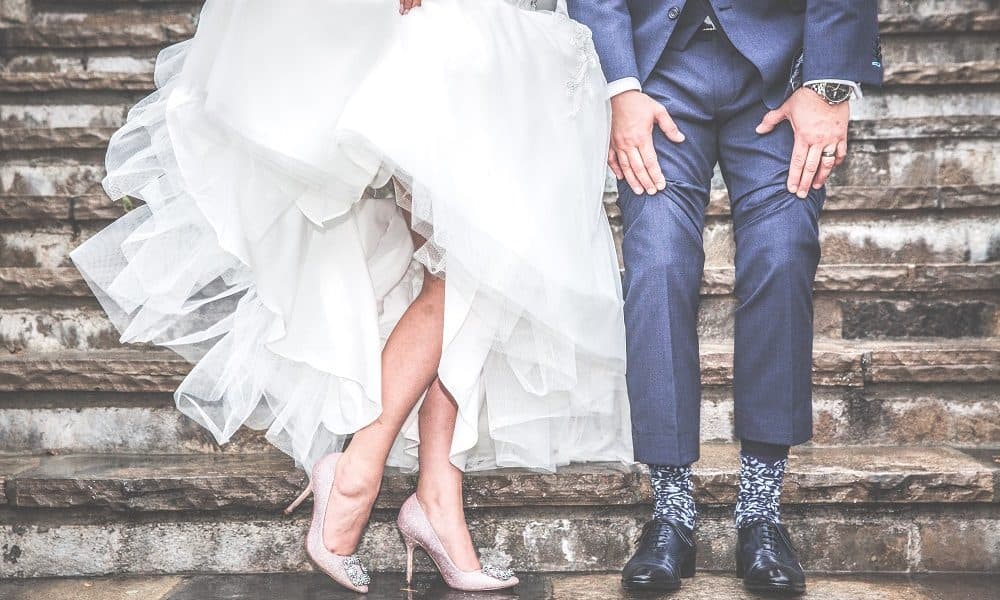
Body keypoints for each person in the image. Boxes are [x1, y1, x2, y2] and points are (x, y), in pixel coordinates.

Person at [70, 0, 632, 593]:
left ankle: (433, 491)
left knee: (472, 264)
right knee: (466, 265)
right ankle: (365, 475)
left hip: (517, 27)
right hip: (451, 30)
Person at [567, 0, 882, 594]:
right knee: (656, 263)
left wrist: (830, 83)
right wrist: (617, 85)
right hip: (657, 68)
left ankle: (760, 512)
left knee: (783, 254)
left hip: (783, 69)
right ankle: (671, 513)